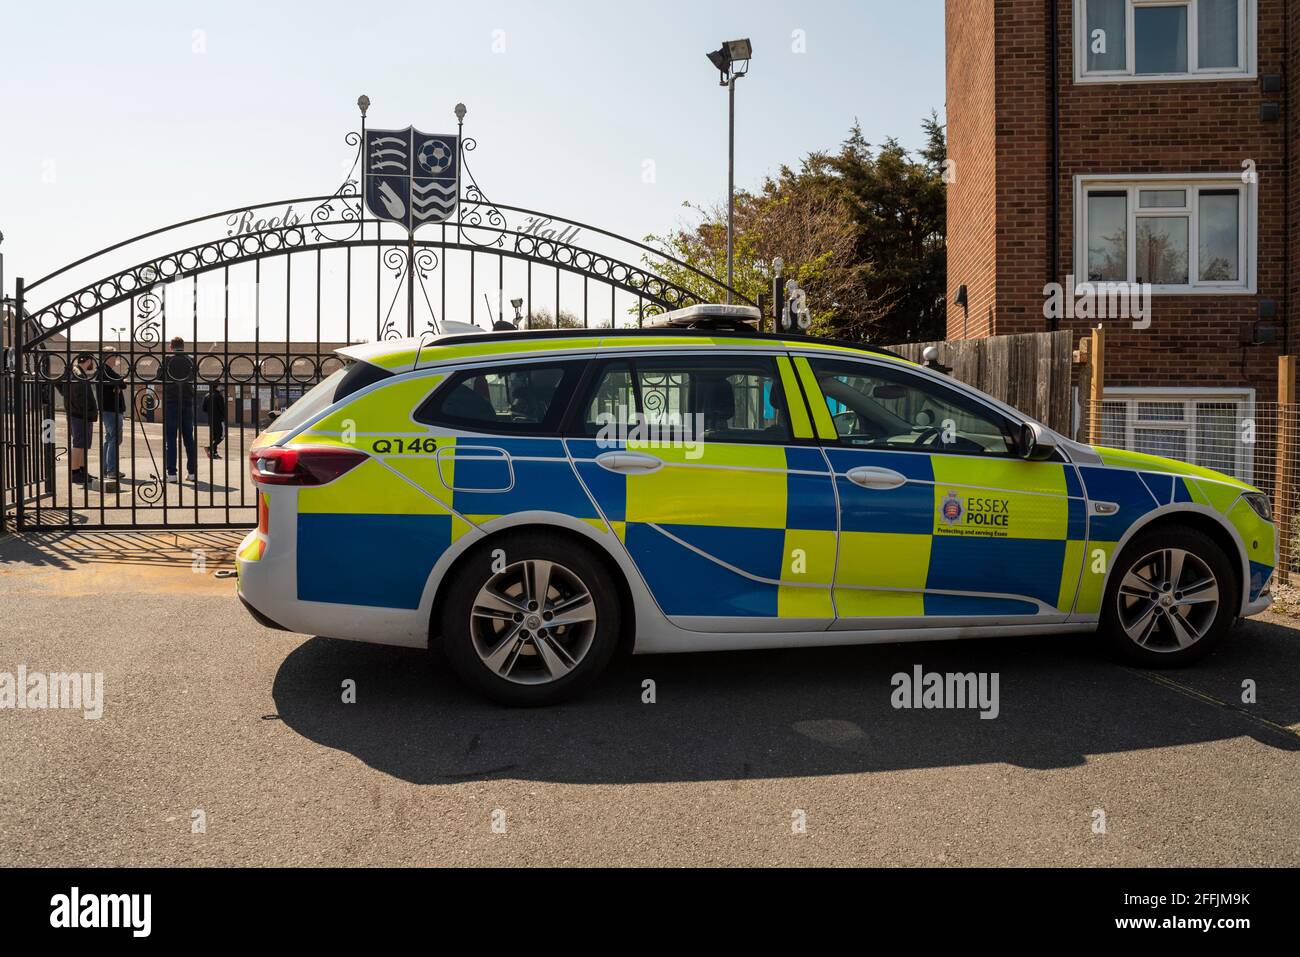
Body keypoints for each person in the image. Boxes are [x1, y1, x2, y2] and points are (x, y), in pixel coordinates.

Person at [162, 336, 198, 483]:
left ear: (171, 346)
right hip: (187, 400)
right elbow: (195, 375)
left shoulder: (168, 360)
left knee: (171, 438)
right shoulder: (190, 359)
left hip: (171, 401)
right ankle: (192, 473)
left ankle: (172, 474)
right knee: (188, 437)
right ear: (183, 346)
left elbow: (159, 376)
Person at [59, 355, 98, 487]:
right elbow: (79, 395)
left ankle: (82, 470)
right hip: (80, 414)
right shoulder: (77, 373)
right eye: (91, 361)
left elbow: (59, 385)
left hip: (79, 413)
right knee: (79, 444)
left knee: (83, 444)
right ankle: (75, 473)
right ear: (88, 361)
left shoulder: (74, 372)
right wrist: (84, 408)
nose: (92, 364)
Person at [99, 348, 127, 493]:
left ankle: (106, 468)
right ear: (109, 357)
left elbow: (120, 384)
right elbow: (121, 383)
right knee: (114, 438)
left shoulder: (106, 370)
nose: (117, 359)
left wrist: (119, 385)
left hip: (110, 409)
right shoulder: (105, 370)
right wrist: (119, 384)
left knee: (110, 438)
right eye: (115, 356)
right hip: (111, 409)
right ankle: (111, 470)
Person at [203, 386, 227, 460]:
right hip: (219, 420)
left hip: (210, 420)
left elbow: (204, 409)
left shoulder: (207, 395)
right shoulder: (219, 396)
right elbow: (223, 409)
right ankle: (210, 448)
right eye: (220, 386)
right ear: (217, 387)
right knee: (221, 436)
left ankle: (214, 453)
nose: (221, 388)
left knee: (214, 437)